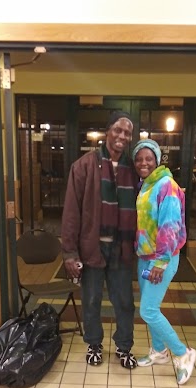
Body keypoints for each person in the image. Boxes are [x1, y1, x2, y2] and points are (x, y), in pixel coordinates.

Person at [61, 111, 138, 369]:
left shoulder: (133, 169)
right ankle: (94, 344)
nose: (122, 136)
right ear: (108, 132)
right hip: (92, 248)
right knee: (92, 300)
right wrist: (70, 253)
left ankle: (123, 346)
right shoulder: (84, 166)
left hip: (122, 248)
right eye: (118, 130)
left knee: (124, 302)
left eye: (127, 132)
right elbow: (71, 212)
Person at [132, 139, 196, 385]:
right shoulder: (146, 186)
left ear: (158, 160)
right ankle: (159, 352)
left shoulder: (166, 185)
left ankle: (183, 353)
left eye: (148, 158)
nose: (143, 163)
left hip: (162, 259)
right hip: (145, 257)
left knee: (147, 309)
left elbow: (170, 228)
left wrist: (160, 263)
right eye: (139, 158)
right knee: (151, 309)